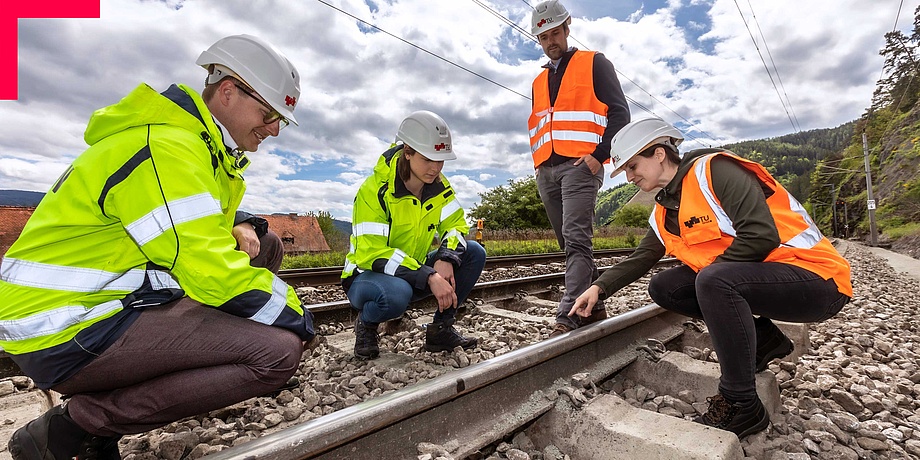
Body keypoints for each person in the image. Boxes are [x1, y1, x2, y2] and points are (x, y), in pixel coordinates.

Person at [1, 34, 315, 459]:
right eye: (269, 113)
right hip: (63, 325)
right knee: (276, 351)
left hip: (102, 305)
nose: (275, 129)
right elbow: (209, 269)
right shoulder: (167, 148)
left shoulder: (195, 146)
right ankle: (78, 427)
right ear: (227, 92)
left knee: (267, 245)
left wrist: (245, 222)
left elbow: (195, 230)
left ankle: (120, 410)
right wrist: (295, 315)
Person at [569, 117, 852, 438]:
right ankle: (763, 340)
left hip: (817, 281)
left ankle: (742, 404)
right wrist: (598, 288)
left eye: (633, 166)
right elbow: (642, 258)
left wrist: (713, 277)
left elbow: (761, 237)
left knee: (712, 281)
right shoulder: (664, 210)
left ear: (659, 154)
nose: (630, 176)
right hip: (769, 282)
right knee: (665, 287)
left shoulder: (714, 172)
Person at [342, 110, 486, 360]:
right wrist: (428, 275)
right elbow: (371, 253)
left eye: (441, 160)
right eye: (429, 159)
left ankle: (441, 331)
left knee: (473, 253)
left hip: (411, 271)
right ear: (407, 152)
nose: (436, 168)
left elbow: (456, 225)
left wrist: (447, 256)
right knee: (395, 294)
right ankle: (366, 324)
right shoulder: (374, 191)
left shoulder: (439, 186)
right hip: (366, 276)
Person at [527, 0, 631, 338]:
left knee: (576, 239)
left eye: (554, 33)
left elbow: (619, 113)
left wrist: (598, 155)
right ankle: (596, 298)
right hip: (547, 170)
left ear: (567, 28)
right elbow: (540, 125)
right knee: (568, 241)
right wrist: (539, 166)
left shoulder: (594, 63)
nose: (550, 41)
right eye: (543, 37)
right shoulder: (538, 81)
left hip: (580, 166)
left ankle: (569, 311)